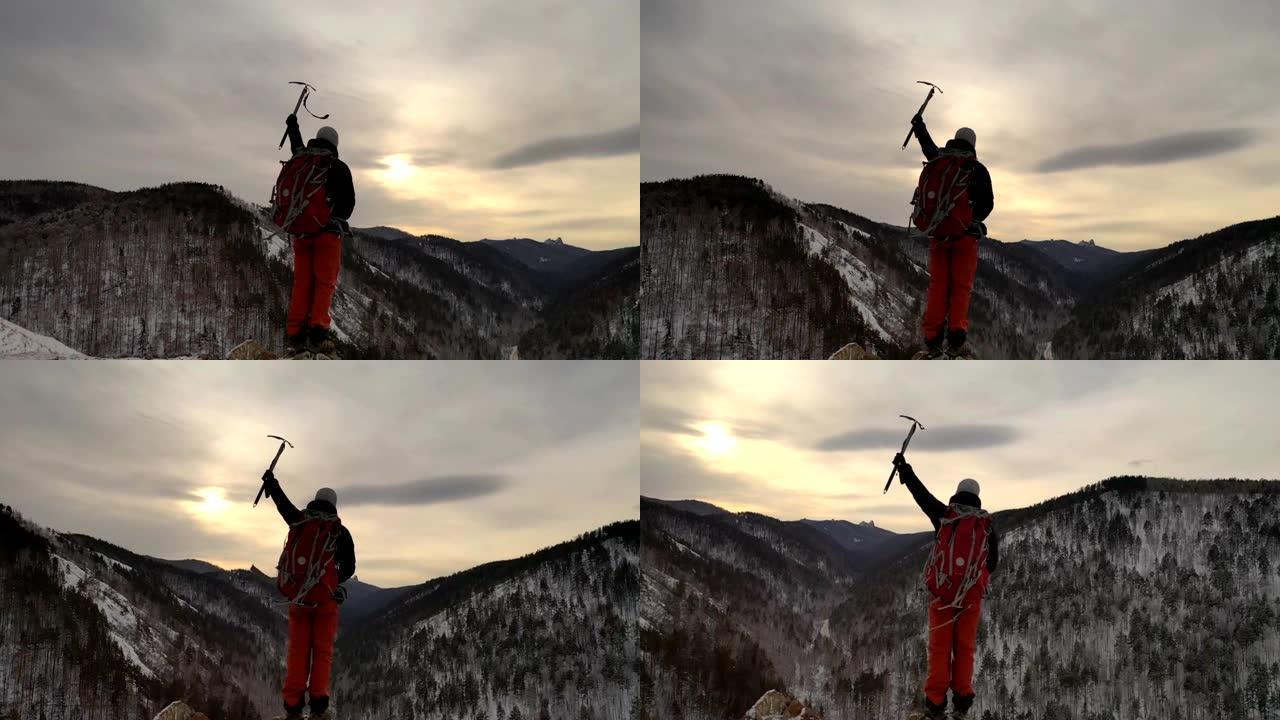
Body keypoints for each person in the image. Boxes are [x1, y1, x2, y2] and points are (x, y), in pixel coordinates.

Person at [894, 453, 999, 720]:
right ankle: (962, 701)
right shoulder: (986, 527)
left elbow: (922, 497)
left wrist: (905, 472)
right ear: (978, 497)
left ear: (957, 493)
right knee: (965, 648)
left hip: (942, 596)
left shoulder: (945, 516)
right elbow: (992, 564)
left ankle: (936, 704)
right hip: (971, 600)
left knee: (940, 649)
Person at [262, 470, 356, 720]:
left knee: (298, 652)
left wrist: (272, 483)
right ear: (334, 505)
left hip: (299, 600)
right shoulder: (340, 532)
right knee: (322, 652)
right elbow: (349, 568)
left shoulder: (300, 521)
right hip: (325, 601)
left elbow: (284, 506)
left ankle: (293, 708)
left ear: (315, 500)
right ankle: (318, 708)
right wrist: (333, 582)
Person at [909, 115, 994, 359]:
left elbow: (927, 146)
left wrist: (919, 126)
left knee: (938, 287)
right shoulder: (975, 169)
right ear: (973, 145)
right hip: (964, 239)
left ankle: (932, 340)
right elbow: (987, 204)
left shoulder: (940, 160)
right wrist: (973, 221)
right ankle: (955, 341)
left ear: (956, 139)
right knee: (960, 288)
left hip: (938, 236)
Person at [283, 114, 356, 356]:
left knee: (302, 283)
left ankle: (295, 333)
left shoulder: (302, 159)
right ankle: (317, 334)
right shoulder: (337, 167)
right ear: (335, 145)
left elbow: (296, 145)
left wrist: (292, 125)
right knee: (324, 284)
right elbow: (348, 206)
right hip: (326, 235)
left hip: (301, 233)